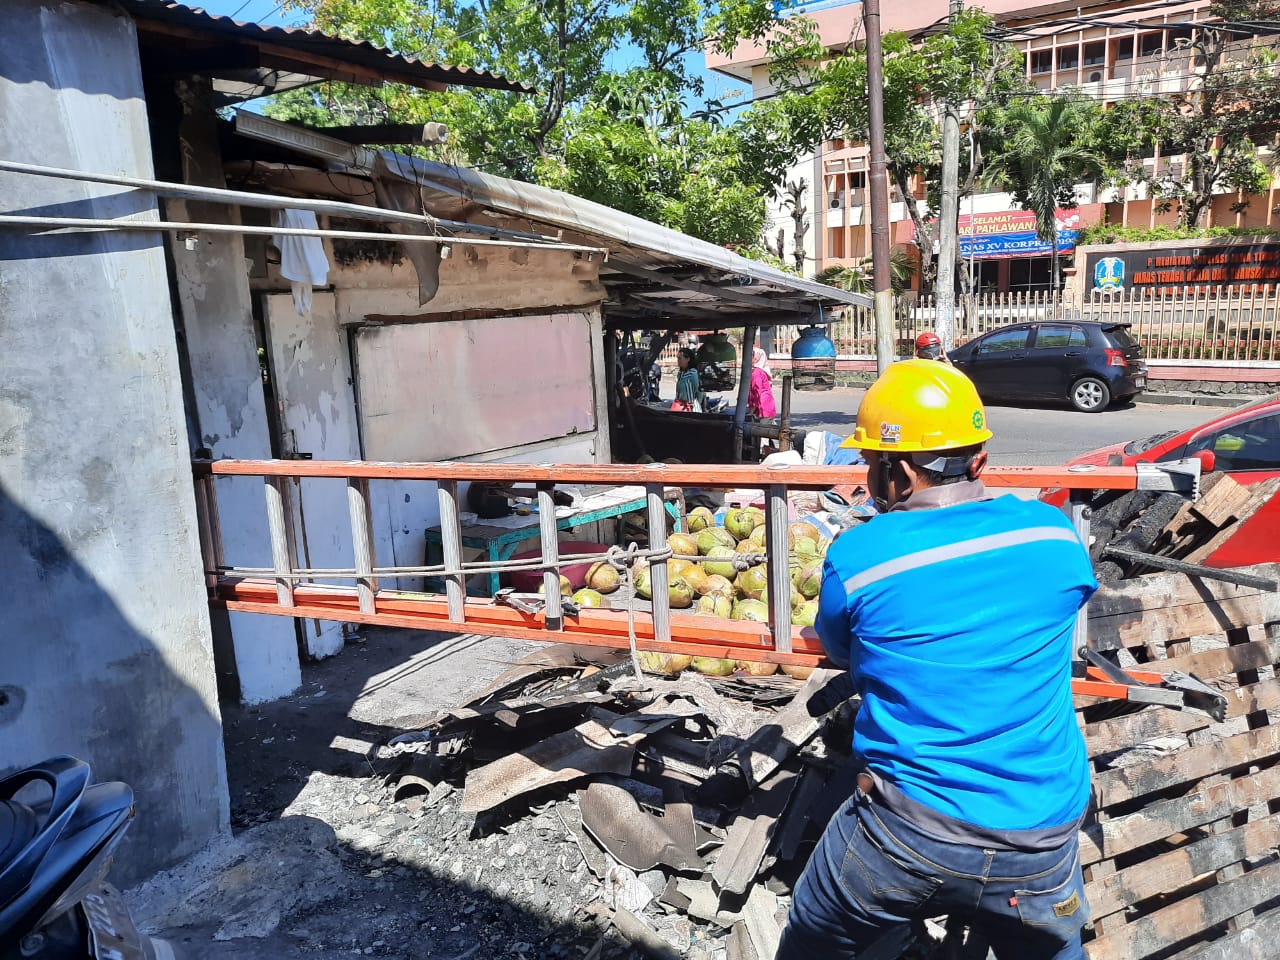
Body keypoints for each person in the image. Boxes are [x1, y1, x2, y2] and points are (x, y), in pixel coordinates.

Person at [777, 359, 1098, 960]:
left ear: (895, 473)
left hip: (907, 831)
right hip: (1041, 833)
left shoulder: (861, 556)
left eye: (871, 464)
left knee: (813, 937)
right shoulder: (1055, 535)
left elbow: (846, 651)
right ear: (979, 459)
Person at [748, 346, 777, 420]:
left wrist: (751, 412)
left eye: (752, 356)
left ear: (756, 358)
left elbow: (757, 393)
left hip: (763, 410)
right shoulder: (761, 371)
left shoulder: (757, 373)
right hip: (767, 407)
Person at [673, 347, 703, 413]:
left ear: (688, 359)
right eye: (678, 358)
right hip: (679, 406)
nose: (678, 360)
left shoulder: (693, 373)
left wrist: (696, 404)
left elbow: (700, 391)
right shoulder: (680, 374)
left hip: (690, 408)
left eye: (680, 358)